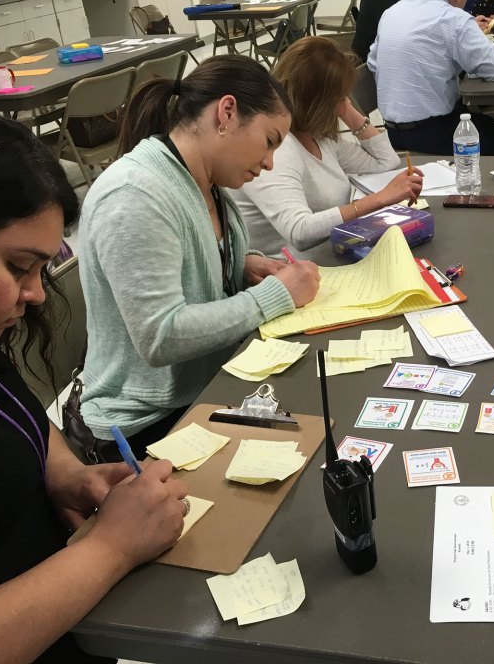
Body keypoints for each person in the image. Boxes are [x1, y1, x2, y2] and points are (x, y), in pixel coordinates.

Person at [0, 111, 187, 663]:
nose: (36, 295)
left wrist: (67, 474)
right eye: (18, 266)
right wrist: (110, 550)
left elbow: (15, 418)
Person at [79, 55, 320, 460]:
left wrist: (239, 265)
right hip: (145, 425)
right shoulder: (134, 195)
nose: (269, 162)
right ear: (226, 113)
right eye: (269, 141)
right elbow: (160, 335)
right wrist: (274, 296)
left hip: (203, 392)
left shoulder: (204, 180)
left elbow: (186, 257)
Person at [230, 37, 423, 255]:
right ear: (315, 103)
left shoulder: (316, 135)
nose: (342, 109)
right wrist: (380, 199)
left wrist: (349, 111)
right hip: (284, 268)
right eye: (339, 99)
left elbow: (386, 162)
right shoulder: (278, 149)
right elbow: (299, 231)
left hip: (325, 255)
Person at [368, 0, 494, 155]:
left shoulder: (394, 11)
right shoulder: (455, 19)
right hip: (433, 131)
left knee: (484, 124)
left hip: (392, 130)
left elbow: (373, 63)